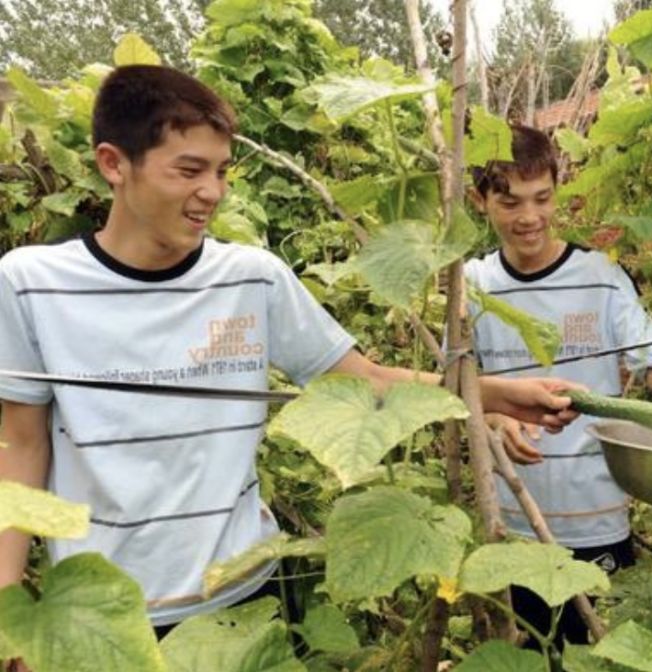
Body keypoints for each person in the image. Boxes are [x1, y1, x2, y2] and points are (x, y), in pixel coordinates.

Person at [0, 65, 579, 664]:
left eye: (222, 171)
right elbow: (20, 448)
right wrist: (11, 612)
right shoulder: (31, 284)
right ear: (114, 164)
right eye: (189, 170)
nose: (212, 192)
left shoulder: (253, 277)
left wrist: (495, 395)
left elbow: (365, 383)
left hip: (245, 599)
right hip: (103, 618)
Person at [465, 125, 652, 649]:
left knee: (597, 654)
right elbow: (456, 385)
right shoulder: (472, 285)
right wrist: (497, 417)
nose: (529, 218)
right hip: (512, 522)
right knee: (523, 655)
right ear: (482, 201)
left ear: (557, 191)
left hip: (596, 518)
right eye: (511, 202)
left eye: (542, 198)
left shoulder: (600, 277)